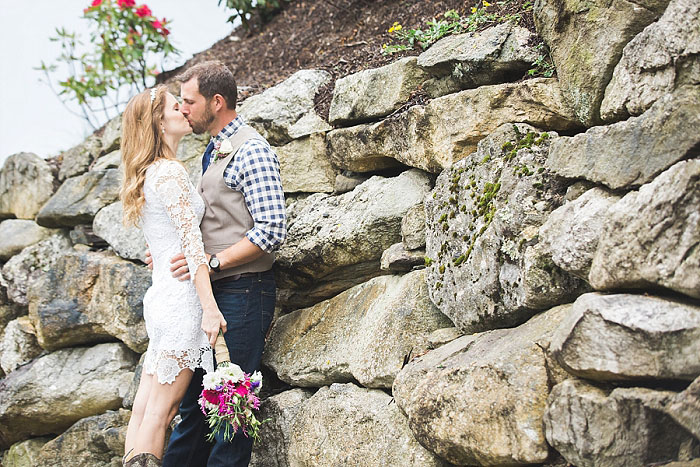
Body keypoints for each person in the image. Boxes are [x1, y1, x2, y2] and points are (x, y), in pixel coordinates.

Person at [156, 60, 287, 467]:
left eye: (189, 101)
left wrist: (213, 262)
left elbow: (271, 229)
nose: (183, 109)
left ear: (216, 102)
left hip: (245, 293)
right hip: (214, 296)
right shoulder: (212, 151)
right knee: (196, 409)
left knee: (231, 410)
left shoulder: (252, 149)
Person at [120, 85, 228, 467]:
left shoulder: (150, 173)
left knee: (145, 410)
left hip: (162, 297)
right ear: (158, 121)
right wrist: (210, 308)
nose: (184, 109)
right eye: (174, 106)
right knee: (161, 414)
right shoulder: (169, 173)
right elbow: (192, 244)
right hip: (182, 300)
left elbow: (165, 239)